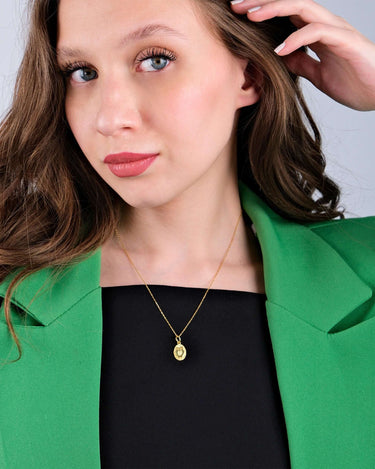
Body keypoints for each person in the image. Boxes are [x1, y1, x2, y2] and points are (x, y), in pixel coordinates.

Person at [0, 0, 374, 467]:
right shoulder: (10, 295)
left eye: (156, 59)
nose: (110, 118)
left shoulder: (364, 279)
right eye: (82, 72)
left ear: (250, 75)